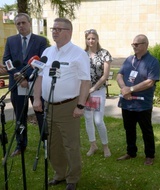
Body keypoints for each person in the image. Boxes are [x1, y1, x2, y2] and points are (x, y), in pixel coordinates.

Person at [33, 18, 90, 190]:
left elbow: (85, 82)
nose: (54, 31)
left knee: (70, 144)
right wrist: (37, 99)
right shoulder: (48, 51)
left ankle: (72, 178)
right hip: (49, 105)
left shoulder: (78, 54)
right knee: (53, 143)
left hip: (68, 106)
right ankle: (59, 174)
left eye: (59, 28)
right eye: (53, 28)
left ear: (69, 31)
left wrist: (80, 106)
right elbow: (40, 76)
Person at [0, 13, 47, 157]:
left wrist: (26, 76)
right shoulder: (11, 40)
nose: (21, 26)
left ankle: (45, 143)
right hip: (16, 83)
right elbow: (7, 60)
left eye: (23, 23)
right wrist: (18, 76)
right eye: (18, 24)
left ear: (30, 23)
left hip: (35, 83)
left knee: (40, 114)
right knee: (20, 116)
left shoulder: (40, 40)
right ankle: (21, 145)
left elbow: (42, 62)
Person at [116, 34, 160, 165]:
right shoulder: (129, 60)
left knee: (146, 129)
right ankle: (131, 152)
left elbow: (150, 82)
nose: (134, 47)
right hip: (127, 102)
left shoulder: (153, 62)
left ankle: (150, 155)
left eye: (137, 44)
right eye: (133, 44)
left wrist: (131, 89)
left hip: (142, 104)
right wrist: (124, 89)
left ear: (145, 45)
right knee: (129, 128)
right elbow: (119, 75)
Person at [83, 29, 112, 158]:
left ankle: (105, 146)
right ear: (86, 40)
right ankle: (93, 145)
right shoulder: (82, 54)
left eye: (93, 38)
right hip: (86, 92)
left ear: (97, 39)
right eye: (88, 38)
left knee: (98, 120)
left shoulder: (104, 54)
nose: (91, 41)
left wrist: (93, 88)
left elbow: (105, 76)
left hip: (98, 91)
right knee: (88, 119)